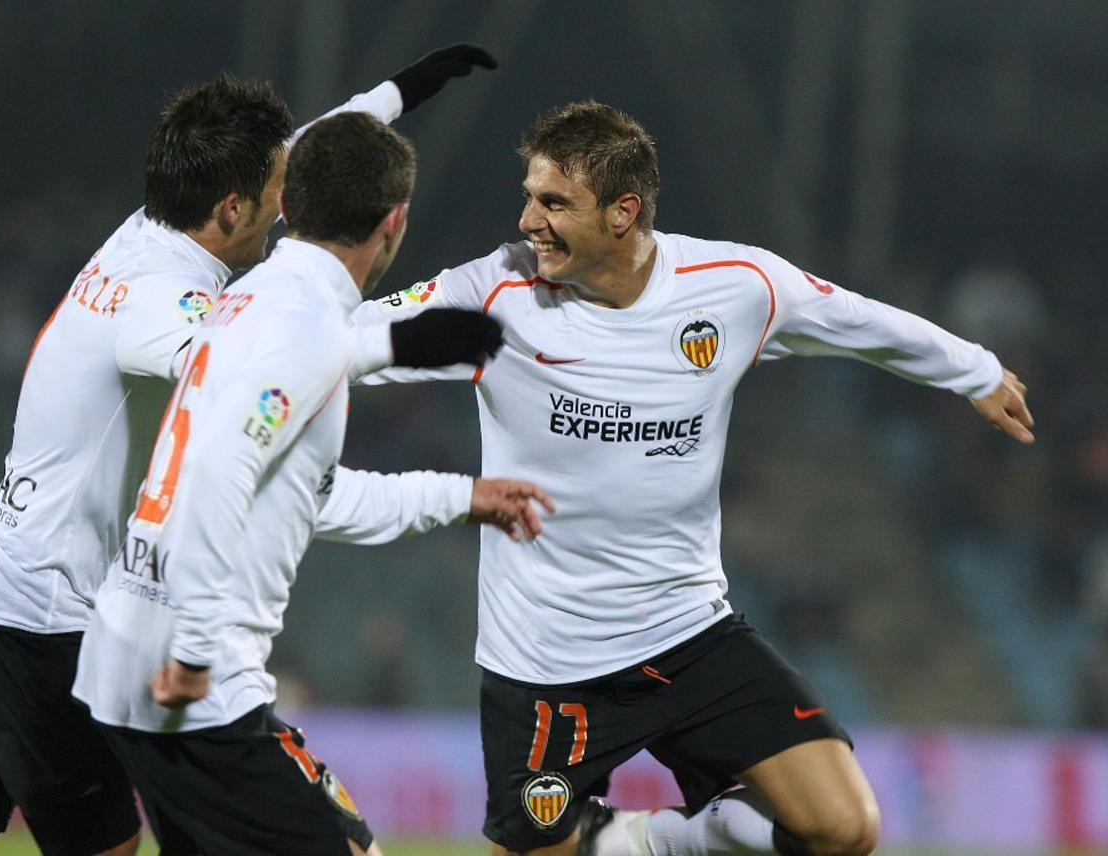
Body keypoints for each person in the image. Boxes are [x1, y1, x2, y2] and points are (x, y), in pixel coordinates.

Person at [349, 101, 1036, 856]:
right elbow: (347, 339)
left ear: (624, 212)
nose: (527, 220)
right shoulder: (491, 293)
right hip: (545, 664)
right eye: (528, 196)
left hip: (688, 635)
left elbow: (855, 320)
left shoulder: (732, 285)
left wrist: (972, 370)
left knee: (845, 828)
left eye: (553, 202)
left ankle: (654, 842)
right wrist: (217, 343)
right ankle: (621, 841)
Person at [0, 47, 501, 856]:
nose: (289, 203)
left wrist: (405, 89)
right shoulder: (162, 304)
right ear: (232, 209)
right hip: (46, 614)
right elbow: (262, 362)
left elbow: (311, 156)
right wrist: (412, 332)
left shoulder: (156, 223)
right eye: (274, 198)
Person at [72, 109, 550, 855]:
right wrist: (197, 652)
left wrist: (463, 497)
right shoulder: (301, 325)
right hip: (197, 679)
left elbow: (308, 494)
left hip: (131, 654)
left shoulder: (259, 301)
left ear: (289, 203)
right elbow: (214, 473)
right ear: (394, 222)